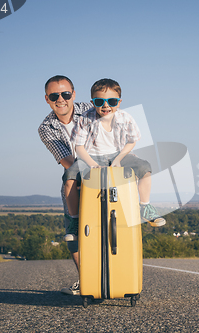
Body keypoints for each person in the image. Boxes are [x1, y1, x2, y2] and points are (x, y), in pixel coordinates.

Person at [63, 78, 165, 241]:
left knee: (145, 168)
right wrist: (92, 165)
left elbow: (132, 140)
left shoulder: (126, 118)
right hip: (91, 156)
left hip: (118, 154)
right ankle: (74, 222)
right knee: (69, 178)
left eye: (111, 101)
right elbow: (79, 147)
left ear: (119, 102)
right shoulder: (84, 119)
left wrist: (119, 158)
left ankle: (145, 208)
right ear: (92, 102)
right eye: (99, 101)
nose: (106, 105)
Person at [38, 75, 92, 295]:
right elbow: (67, 160)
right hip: (77, 177)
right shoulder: (46, 128)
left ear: (74, 94)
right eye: (54, 96)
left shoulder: (91, 108)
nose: (61, 99)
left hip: (109, 170)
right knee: (75, 232)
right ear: (47, 99)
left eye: (65, 94)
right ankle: (86, 279)